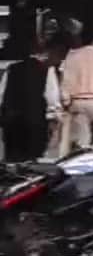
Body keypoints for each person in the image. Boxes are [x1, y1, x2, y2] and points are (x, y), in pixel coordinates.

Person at [0, 33, 59, 162]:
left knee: (14, 157)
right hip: (35, 119)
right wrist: (53, 115)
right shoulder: (47, 70)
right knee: (33, 156)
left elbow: (2, 93)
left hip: (13, 120)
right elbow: (51, 95)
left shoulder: (12, 69)